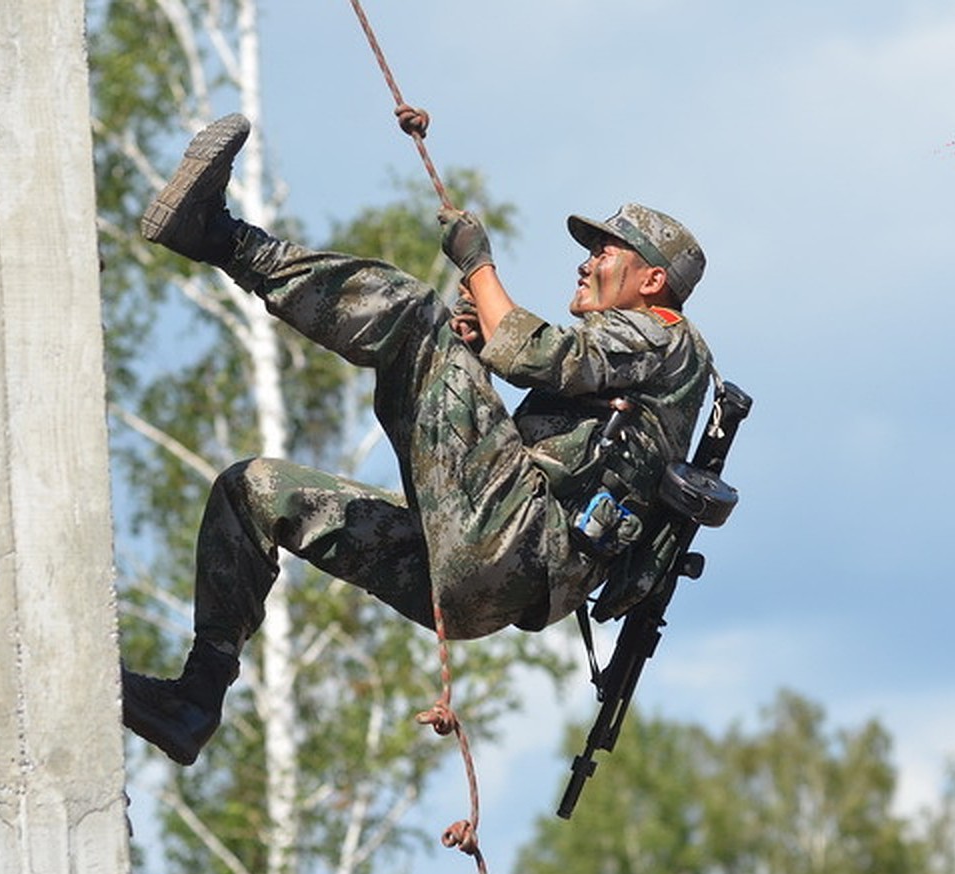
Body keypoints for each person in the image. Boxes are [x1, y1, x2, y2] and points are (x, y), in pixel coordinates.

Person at [121, 113, 717, 766]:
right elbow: (535, 364)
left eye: (606, 253)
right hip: (481, 585)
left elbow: (535, 355)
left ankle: (217, 236)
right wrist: (473, 345)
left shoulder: (666, 335)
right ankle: (195, 701)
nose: (585, 263)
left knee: (414, 314)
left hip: (516, 540)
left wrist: (478, 265)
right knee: (255, 491)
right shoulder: (640, 358)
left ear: (653, 281)